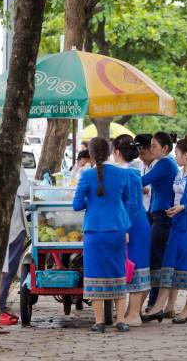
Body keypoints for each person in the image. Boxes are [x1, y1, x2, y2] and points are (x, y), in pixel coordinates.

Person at [142, 133, 187, 324]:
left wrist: (184, 208)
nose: (176, 157)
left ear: (186, 156)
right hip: (176, 225)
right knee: (168, 266)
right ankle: (158, 307)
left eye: (178, 154)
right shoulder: (179, 175)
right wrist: (174, 209)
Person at [73, 137, 132, 333]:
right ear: (109, 152)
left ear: (90, 154)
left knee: (94, 274)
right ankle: (120, 320)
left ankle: (99, 322)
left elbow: (76, 205)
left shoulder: (86, 175)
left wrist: (91, 202)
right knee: (118, 272)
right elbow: (126, 199)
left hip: (94, 232)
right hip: (116, 229)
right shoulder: (122, 173)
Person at [112, 135, 151, 326]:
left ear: (116, 152)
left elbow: (133, 205)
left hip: (134, 225)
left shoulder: (129, 173)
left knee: (135, 267)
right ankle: (131, 312)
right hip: (135, 223)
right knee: (133, 266)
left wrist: (124, 228)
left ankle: (134, 313)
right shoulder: (131, 171)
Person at [141, 131, 178, 314]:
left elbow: (144, 181)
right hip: (158, 214)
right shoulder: (165, 162)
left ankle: (153, 303)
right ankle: (163, 304)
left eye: (154, 146)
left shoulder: (164, 163)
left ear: (165, 148)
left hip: (162, 216)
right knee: (159, 258)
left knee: (155, 260)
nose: (151, 148)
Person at [0, 165, 30, 326]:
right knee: (6, 270)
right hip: (13, 226)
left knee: (2, 269)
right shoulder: (14, 165)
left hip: (2, 226)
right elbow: (25, 190)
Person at [134, 134, 155, 213]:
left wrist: (147, 191)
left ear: (152, 149)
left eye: (143, 154)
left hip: (154, 211)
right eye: (139, 154)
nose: (140, 157)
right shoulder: (140, 165)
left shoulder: (160, 167)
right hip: (143, 209)